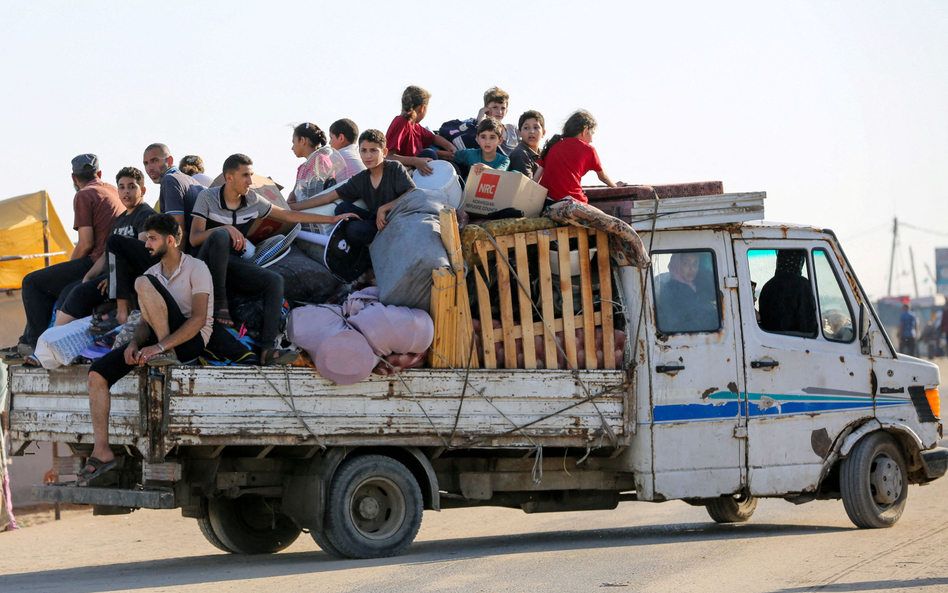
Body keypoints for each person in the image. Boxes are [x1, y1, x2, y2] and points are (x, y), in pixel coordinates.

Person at [78, 214, 213, 483]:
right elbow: (143, 322)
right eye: (147, 237)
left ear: (171, 240)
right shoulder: (152, 273)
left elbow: (198, 319)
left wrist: (162, 345)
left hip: (189, 340)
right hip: (158, 342)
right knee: (97, 373)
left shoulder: (197, 269)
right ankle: (102, 450)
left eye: (152, 238)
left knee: (140, 283)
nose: (147, 244)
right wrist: (135, 344)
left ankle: (167, 355)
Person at [189, 153, 356, 364]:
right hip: (205, 266)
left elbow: (288, 215)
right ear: (229, 177)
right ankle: (220, 304)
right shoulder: (208, 198)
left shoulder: (252, 200)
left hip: (232, 264)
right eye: (245, 176)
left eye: (251, 175)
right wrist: (227, 228)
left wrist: (332, 219)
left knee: (274, 280)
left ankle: (268, 349)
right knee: (221, 235)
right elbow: (194, 239)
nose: (250, 181)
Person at [2, 154, 123, 360]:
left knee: (32, 282)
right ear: (100, 174)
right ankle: (30, 341)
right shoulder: (113, 190)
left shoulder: (84, 195)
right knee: (61, 286)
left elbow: (84, 243)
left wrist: (66, 268)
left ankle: (32, 344)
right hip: (114, 263)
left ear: (74, 178)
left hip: (96, 262)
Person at [52, 167, 156, 329]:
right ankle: (54, 337)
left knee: (79, 294)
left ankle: (52, 339)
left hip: (129, 278)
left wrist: (115, 277)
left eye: (131, 186)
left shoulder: (145, 214)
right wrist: (88, 276)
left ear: (142, 190)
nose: (126, 192)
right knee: (70, 289)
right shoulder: (120, 219)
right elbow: (107, 254)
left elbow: (139, 252)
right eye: (121, 187)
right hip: (111, 275)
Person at [289, 130, 415, 247]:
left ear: (385, 152)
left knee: (353, 230)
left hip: (397, 219)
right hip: (377, 223)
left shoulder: (393, 168)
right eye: (363, 151)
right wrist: (289, 208)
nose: (368, 156)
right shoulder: (361, 179)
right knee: (342, 208)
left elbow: (412, 192)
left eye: (373, 150)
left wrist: (385, 208)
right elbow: (328, 197)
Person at [534, 110, 623, 203]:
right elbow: (602, 176)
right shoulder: (589, 150)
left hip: (547, 201)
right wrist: (615, 186)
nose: (592, 139)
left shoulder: (553, 144)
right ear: (584, 131)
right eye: (592, 133)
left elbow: (536, 179)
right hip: (572, 201)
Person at [143, 143, 206, 253]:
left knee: (117, 242)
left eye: (155, 160)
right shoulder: (189, 180)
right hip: (199, 254)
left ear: (170, 160)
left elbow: (178, 232)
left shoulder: (170, 181)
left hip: (189, 255)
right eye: (146, 163)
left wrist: (176, 267)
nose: (149, 168)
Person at [385, 85, 456, 176]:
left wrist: (450, 148)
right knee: (429, 153)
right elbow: (388, 157)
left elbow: (434, 138)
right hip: (403, 172)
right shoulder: (401, 123)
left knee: (452, 166)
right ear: (422, 108)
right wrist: (415, 161)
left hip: (418, 168)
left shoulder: (416, 127)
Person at [758, 250, 818, 336]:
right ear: (799, 261)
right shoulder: (802, 285)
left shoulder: (768, 286)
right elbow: (808, 326)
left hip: (771, 341)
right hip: (797, 343)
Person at [657, 253, 718, 333]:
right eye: (687, 263)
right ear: (677, 265)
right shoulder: (675, 289)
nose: (692, 269)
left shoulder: (690, 285)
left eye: (695, 264)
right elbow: (697, 317)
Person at [286, 122, 340, 205]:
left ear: (302, 140)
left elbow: (319, 193)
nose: (292, 148)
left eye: (294, 142)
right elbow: (294, 195)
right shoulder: (302, 167)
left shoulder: (320, 160)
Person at [475, 87, 520, 155]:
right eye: (495, 107)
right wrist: (481, 113)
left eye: (503, 108)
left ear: (506, 111)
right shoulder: (485, 126)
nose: (499, 111)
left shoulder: (512, 129)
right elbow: (481, 129)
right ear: (486, 109)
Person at [508, 110, 546, 179]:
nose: (531, 131)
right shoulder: (520, 153)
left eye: (536, 127)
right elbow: (528, 186)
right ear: (519, 133)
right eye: (526, 128)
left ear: (543, 133)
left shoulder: (544, 154)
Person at [328, 118, 367, 183]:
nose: (330, 143)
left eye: (331, 138)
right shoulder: (359, 153)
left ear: (341, 138)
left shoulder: (337, 155)